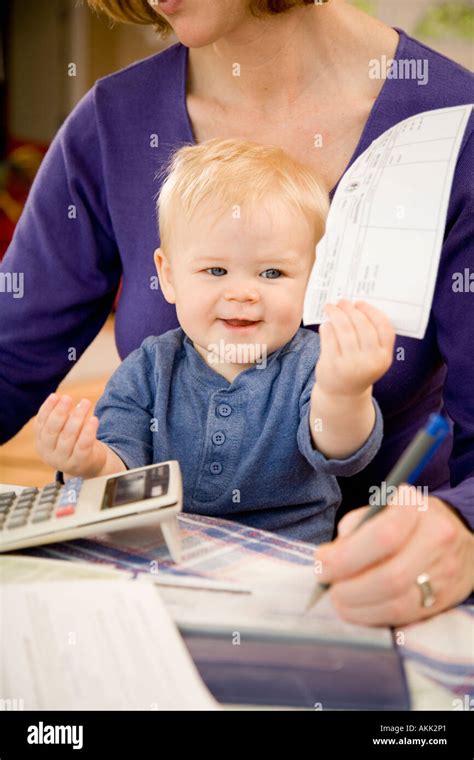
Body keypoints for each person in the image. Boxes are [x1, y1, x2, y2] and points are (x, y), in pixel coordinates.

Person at [1, 0, 472, 624]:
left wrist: (463, 530)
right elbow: (11, 358)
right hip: (149, 597)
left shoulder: (454, 126)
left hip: (369, 605)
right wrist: (89, 461)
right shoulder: (113, 122)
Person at [34, 138, 395, 544]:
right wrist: (91, 462)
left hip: (284, 561)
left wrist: (346, 389)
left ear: (314, 279)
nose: (243, 293)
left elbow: (341, 451)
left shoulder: (315, 363)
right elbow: (124, 475)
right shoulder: (148, 368)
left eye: (272, 273)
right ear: (169, 276)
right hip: (167, 553)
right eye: (216, 270)